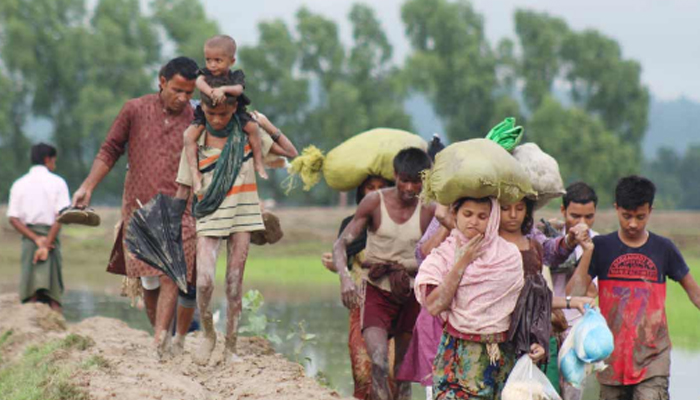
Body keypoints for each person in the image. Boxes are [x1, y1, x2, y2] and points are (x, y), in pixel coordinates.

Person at [71, 57, 200, 357]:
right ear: (162, 81)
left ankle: (159, 341)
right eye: (177, 90)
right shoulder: (135, 109)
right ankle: (162, 335)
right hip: (139, 207)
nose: (182, 98)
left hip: (179, 209)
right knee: (150, 281)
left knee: (171, 273)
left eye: (189, 92)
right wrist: (88, 186)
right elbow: (110, 149)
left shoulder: (196, 119)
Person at [175, 73, 298, 365]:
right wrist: (170, 223)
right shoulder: (195, 140)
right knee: (204, 282)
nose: (217, 119)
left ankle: (230, 347)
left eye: (223, 113)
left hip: (243, 215)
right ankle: (208, 334)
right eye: (211, 113)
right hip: (208, 214)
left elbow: (291, 153)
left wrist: (266, 123)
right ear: (202, 110)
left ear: (234, 110)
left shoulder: (247, 133)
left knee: (233, 284)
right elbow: (183, 187)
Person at [567, 175, 700, 400]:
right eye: (626, 216)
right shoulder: (601, 247)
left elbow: (695, 293)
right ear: (616, 208)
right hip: (610, 358)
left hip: (652, 357)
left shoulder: (663, 249)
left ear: (650, 210)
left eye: (640, 217)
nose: (633, 224)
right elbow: (574, 293)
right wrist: (588, 252)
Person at [333, 148, 435, 400]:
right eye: (404, 180)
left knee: (402, 371)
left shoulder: (430, 210)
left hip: (411, 293)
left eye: (416, 182)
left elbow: (438, 254)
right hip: (377, 290)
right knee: (378, 362)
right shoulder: (374, 202)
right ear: (395, 175)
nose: (410, 188)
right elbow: (340, 245)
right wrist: (345, 277)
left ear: (425, 180)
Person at [415, 196, 542, 399]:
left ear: (492, 220)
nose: (473, 221)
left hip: (502, 355)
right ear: (455, 215)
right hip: (458, 354)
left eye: (482, 216)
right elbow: (433, 305)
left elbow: (522, 306)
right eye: (467, 214)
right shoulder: (442, 256)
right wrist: (462, 262)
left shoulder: (508, 255)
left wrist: (536, 339)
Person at [321, 175, 393, 399]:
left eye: (381, 188)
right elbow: (347, 262)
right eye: (369, 188)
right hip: (361, 307)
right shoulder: (351, 225)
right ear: (360, 192)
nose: (374, 193)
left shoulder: (401, 225)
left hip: (395, 306)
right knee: (362, 371)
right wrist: (337, 268)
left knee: (391, 373)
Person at [183, 34, 267, 188]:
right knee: (188, 136)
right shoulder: (205, 74)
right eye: (208, 60)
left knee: (253, 128)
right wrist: (211, 92)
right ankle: (194, 172)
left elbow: (238, 89)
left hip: (233, 111)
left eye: (218, 61)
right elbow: (199, 83)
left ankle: (259, 162)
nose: (212, 65)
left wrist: (223, 89)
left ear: (231, 61)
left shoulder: (235, 76)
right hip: (207, 110)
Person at [547, 182, 599, 400]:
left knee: (573, 393)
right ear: (562, 211)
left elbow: (585, 291)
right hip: (548, 329)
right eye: (575, 216)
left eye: (588, 217)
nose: (582, 224)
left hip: (577, 333)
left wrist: (586, 252)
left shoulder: (597, 242)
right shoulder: (549, 238)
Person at [7, 143, 71, 313]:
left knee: (30, 291)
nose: (54, 165)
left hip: (30, 240)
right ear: (47, 159)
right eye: (54, 161)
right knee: (54, 292)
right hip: (51, 239)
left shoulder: (19, 184)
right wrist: (47, 243)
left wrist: (37, 240)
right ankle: (59, 330)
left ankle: (29, 327)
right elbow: (62, 216)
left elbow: (13, 218)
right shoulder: (58, 182)